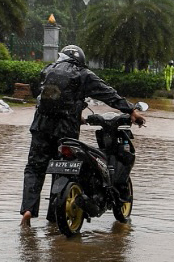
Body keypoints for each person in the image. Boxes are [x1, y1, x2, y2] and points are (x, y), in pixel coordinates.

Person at [21, 45, 144, 225]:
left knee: (34, 168)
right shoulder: (83, 74)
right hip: (65, 130)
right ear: (80, 60)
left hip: (41, 127)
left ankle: (28, 210)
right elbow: (107, 93)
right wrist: (131, 110)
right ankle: (55, 217)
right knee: (62, 170)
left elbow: (41, 96)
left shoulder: (48, 70)